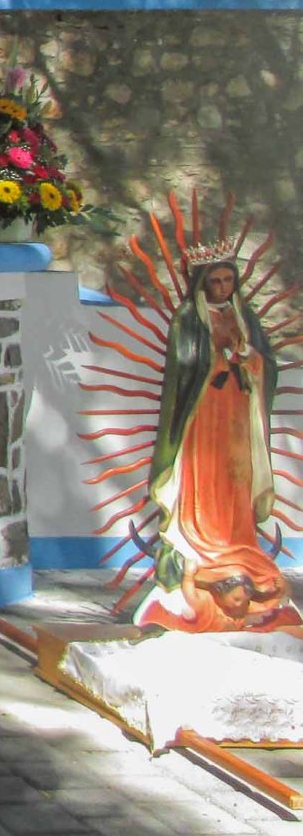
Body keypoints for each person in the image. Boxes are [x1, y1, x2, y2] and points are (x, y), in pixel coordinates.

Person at [132, 246, 300, 633]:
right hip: (203, 413)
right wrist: (214, 357)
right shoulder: (189, 319)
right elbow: (183, 368)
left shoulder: (245, 315)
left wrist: (248, 357)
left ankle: (236, 542)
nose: (223, 287)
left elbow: (266, 363)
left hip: (238, 412)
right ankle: (200, 541)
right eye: (216, 281)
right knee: (203, 477)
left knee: (237, 479)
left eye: (228, 280)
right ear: (202, 283)